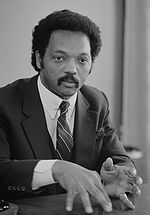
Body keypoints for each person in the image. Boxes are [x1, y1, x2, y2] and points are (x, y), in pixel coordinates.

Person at [0, 9, 142, 214]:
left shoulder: (97, 101)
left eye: (82, 60)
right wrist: (55, 168)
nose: (72, 70)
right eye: (59, 58)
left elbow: (118, 157)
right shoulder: (5, 102)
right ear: (39, 59)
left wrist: (117, 174)